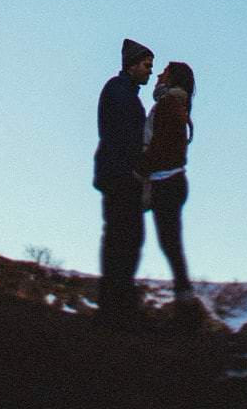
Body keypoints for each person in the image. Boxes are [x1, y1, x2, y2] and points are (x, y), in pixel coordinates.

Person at [92, 38, 153, 322]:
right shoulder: (119, 91)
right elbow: (120, 135)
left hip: (118, 174)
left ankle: (117, 304)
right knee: (122, 238)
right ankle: (116, 308)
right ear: (131, 65)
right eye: (146, 65)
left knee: (125, 238)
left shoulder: (125, 92)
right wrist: (131, 169)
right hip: (119, 176)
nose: (150, 71)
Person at [139, 61, 195, 303]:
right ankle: (185, 303)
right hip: (172, 181)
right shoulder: (176, 103)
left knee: (170, 244)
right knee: (171, 244)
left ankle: (186, 307)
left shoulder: (168, 104)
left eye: (164, 72)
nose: (159, 74)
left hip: (166, 182)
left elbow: (161, 144)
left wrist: (141, 167)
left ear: (171, 79)